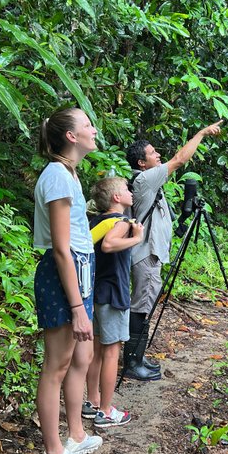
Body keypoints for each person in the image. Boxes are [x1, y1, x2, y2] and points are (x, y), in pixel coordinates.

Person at [124, 120, 223, 380]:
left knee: (145, 305)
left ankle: (138, 356)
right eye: (152, 153)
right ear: (141, 163)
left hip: (149, 255)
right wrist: (201, 132)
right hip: (145, 256)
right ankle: (132, 363)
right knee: (142, 307)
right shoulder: (145, 179)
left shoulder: (148, 180)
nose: (158, 155)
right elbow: (180, 159)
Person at [33, 107, 103, 454]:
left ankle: (74, 434)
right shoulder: (57, 176)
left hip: (79, 272)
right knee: (56, 366)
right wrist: (77, 306)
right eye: (88, 125)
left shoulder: (68, 173)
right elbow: (61, 248)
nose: (94, 130)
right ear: (72, 137)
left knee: (81, 357)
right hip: (65, 276)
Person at [82, 177, 144, 427]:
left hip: (95, 293)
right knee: (111, 352)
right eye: (126, 189)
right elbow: (109, 245)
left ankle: (93, 401)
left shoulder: (97, 221)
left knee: (98, 350)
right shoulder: (121, 221)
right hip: (113, 294)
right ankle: (106, 411)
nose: (131, 192)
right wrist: (137, 239)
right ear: (116, 198)